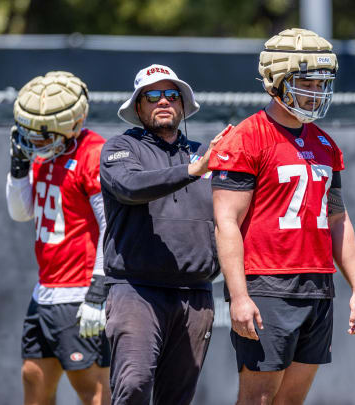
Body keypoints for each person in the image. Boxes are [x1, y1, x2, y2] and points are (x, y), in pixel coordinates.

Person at [209, 28, 355, 405]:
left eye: (321, 82)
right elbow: (226, 222)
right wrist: (238, 296)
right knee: (259, 399)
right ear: (275, 82)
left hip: (317, 285)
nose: (315, 91)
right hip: (268, 284)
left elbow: (337, 219)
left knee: (291, 400)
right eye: (306, 82)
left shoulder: (326, 144)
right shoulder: (247, 137)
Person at [77, 63, 231, 405]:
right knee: (133, 386)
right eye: (153, 95)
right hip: (136, 289)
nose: (164, 101)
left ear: (182, 104)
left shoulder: (206, 155)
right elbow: (130, 186)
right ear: (138, 106)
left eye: (172, 95)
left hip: (195, 294)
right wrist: (192, 170)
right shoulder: (120, 148)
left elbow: (230, 219)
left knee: (176, 398)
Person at [5, 71, 111, 405]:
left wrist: (98, 290)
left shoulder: (93, 153)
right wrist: (19, 168)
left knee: (92, 390)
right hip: (46, 290)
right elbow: (21, 213)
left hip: (79, 292)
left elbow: (112, 226)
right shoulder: (44, 156)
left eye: (42, 133)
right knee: (34, 379)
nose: (33, 141)